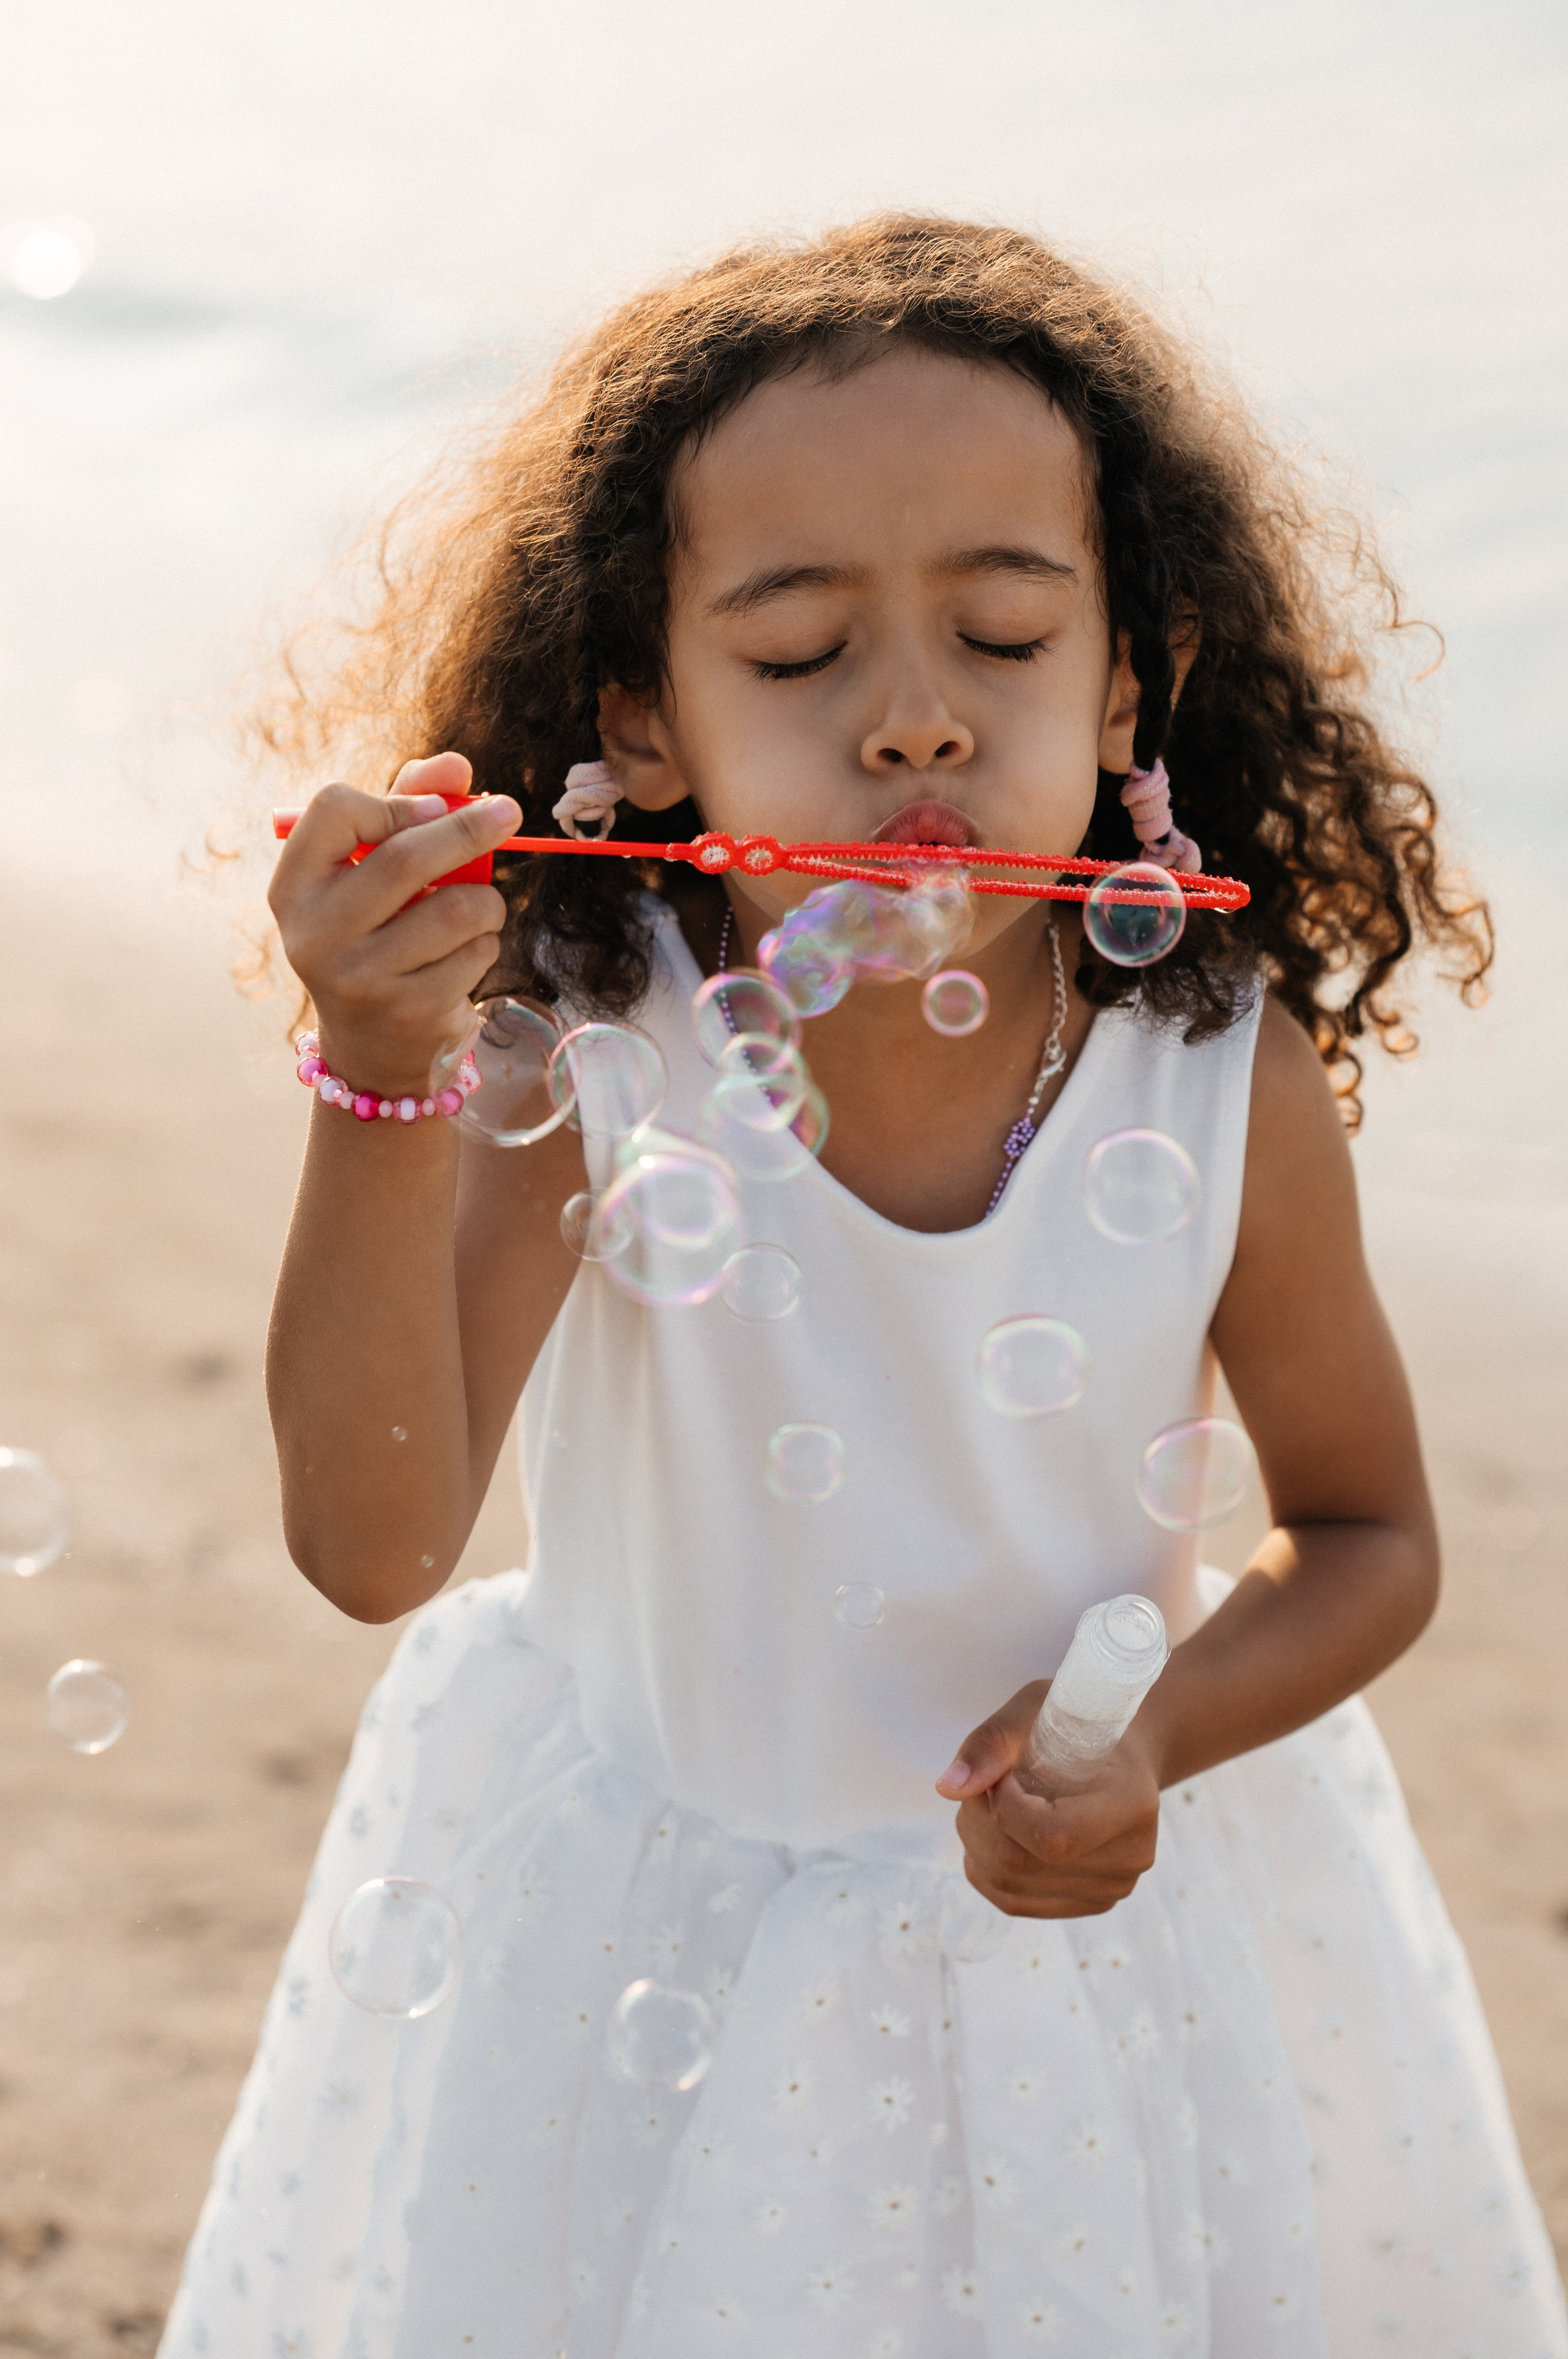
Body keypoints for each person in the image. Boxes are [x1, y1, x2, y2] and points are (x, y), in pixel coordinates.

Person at [159, 216, 1567, 2358]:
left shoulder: (1211, 1077)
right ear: (643, 712)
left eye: (1004, 634)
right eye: (800, 655)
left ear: (1126, 683)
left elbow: (1370, 1536)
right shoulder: (592, 1051)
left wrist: (1156, 1740)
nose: (914, 721)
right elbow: (375, 1542)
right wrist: (379, 1072)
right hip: (651, 1927)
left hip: (1111, 1943)